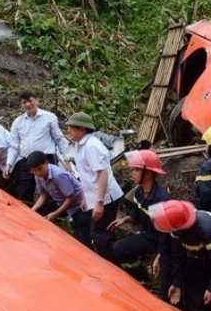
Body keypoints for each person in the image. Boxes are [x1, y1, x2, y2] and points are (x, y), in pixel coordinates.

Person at [65, 112, 123, 262]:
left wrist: (99, 203)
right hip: (96, 196)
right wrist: (86, 197)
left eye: (72, 128)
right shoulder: (80, 145)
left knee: (98, 234)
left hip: (106, 197)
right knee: (102, 232)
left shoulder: (91, 146)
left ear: (82, 129)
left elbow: (103, 174)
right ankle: (114, 260)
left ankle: (116, 262)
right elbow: (87, 176)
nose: (69, 131)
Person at [109, 150, 172, 284]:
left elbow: (166, 233)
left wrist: (159, 256)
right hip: (150, 236)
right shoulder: (139, 191)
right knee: (118, 248)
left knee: (166, 280)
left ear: (148, 173)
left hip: (166, 243)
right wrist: (125, 219)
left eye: (135, 170)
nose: (132, 174)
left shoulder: (161, 199)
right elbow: (137, 214)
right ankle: (141, 276)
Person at [3, 90, 70, 204]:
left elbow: (59, 139)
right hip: (26, 162)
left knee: (54, 191)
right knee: (24, 193)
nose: (28, 104)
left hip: (46, 160)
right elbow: (13, 146)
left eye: (30, 100)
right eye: (24, 102)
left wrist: (67, 160)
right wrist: (9, 164)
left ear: (36, 100)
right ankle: (26, 218)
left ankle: (53, 216)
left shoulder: (49, 117)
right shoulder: (17, 122)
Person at [27, 151, 92, 247]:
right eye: (34, 171)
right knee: (38, 212)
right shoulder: (37, 176)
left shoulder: (58, 175)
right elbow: (43, 195)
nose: (38, 173)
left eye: (40, 169)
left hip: (78, 203)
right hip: (60, 201)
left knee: (83, 236)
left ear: (46, 163)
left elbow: (72, 197)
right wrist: (32, 210)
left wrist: (55, 214)